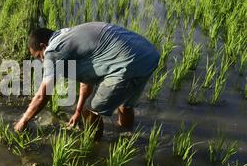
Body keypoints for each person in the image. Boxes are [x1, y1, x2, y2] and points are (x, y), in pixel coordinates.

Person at [13, 22, 160, 140]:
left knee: (90, 110)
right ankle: (126, 136)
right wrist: (77, 111)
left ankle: (94, 146)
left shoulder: (53, 50)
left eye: (39, 57)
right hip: (148, 55)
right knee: (125, 104)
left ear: (43, 46)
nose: (42, 61)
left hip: (127, 62)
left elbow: (43, 94)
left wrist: (23, 120)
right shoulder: (69, 35)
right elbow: (86, 81)